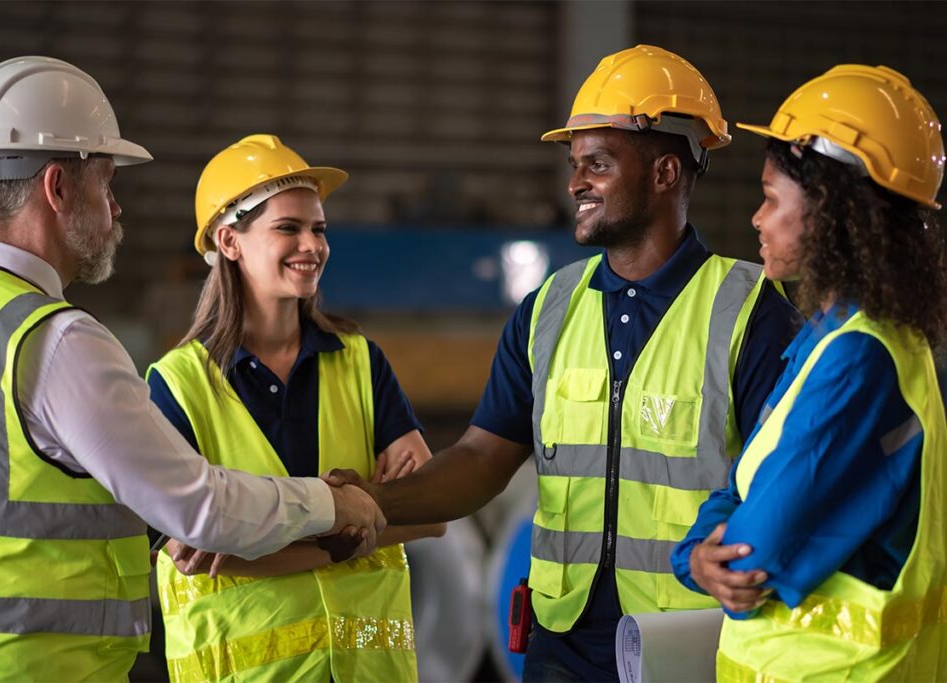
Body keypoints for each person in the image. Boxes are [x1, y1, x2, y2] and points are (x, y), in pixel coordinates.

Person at [326, 44, 802, 681]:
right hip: (561, 647)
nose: (576, 184)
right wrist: (374, 500)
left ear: (665, 173)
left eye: (599, 164)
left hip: (690, 646)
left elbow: (788, 486)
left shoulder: (751, 313)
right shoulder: (547, 308)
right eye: (575, 165)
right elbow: (479, 461)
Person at [0, 56, 384, 681]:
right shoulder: (59, 342)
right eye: (106, 184)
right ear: (57, 188)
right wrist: (334, 504)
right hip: (39, 665)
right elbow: (199, 510)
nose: (116, 211)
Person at [671, 64, 947, 681]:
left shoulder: (858, 361)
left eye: (771, 198)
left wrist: (694, 556)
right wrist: (701, 549)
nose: (757, 219)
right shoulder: (844, 340)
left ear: (832, 212)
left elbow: (750, 557)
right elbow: (744, 482)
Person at [145, 134, 444, 682]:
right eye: (289, 228)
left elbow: (431, 512)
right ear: (229, 241)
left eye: (319, 229)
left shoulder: (359, 360)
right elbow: (191, 550)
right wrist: (352, 523)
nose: (313, 245)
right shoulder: (178, 385)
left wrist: (257, 537)